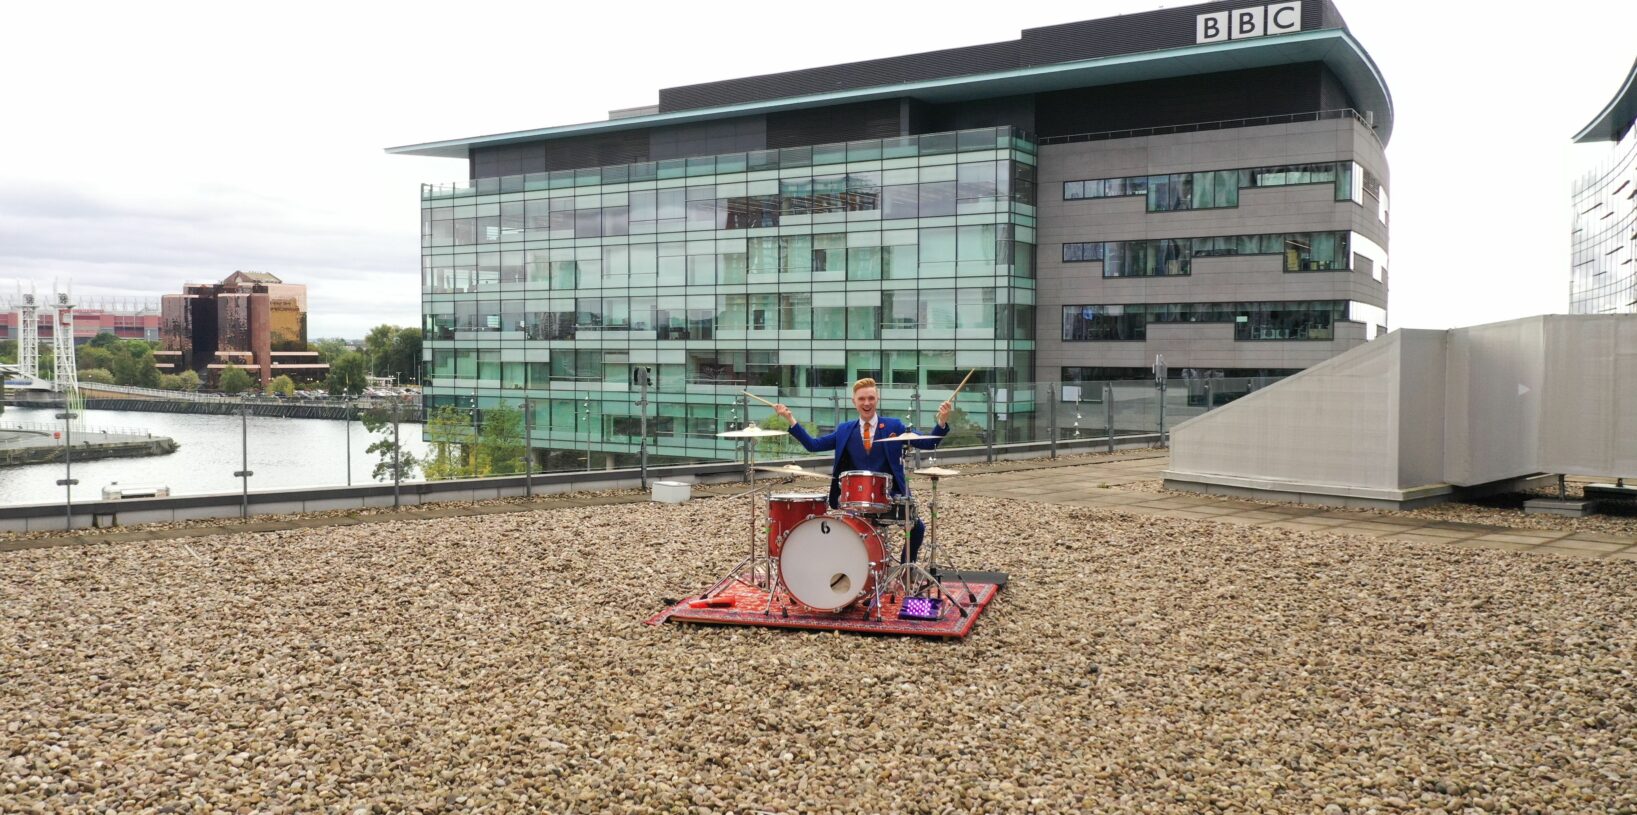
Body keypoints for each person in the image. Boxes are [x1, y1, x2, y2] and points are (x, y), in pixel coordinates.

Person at [773, 378, 952, 562]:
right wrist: (790, 419)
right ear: (854, 402)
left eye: (871, 398)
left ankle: (906, 569)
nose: (867, 403)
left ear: (877, 399)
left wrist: (942, 420)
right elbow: (813, 445)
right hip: (856, 499)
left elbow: (929, 442)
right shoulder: (845, 430)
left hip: (890, 494)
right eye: (862, 399)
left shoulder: (894, 426)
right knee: (845, 534)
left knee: (917, 528)